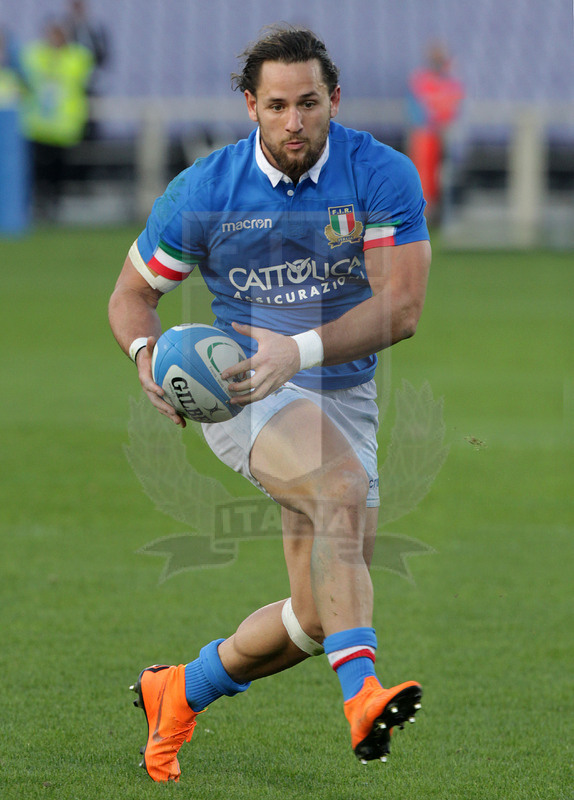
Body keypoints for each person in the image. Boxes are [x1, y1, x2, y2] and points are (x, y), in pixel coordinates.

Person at [108, 24, 431, 783]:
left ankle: (178, 689)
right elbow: (131, 296)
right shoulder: (206, 191)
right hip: (243, 390)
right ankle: (362, 697)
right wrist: (147, 356)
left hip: (341, 392)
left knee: (318, 615)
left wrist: (302, 350)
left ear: (334, 100)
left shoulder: (378, 174)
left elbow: (404, 308)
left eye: (310, 103)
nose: (295, 122)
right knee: (341, 489)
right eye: (278, 105)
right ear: (251, 105)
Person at [19, 21, 93, 219]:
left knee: (57, 170)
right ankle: (40, 205)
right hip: (39, 126)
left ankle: (53, 206)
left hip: (62, 128)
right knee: (38, 169)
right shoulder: (38, 55)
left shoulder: (76, 57)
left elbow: (83, 69)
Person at [407, 42, 465, 223]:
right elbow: (417, 110)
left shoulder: (451, 83)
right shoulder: (420, 80)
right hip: (425, 134)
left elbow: (454, 108)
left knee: (444, 175)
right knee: (424, 175)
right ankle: (424, 213)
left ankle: (442, 214)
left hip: (446, 135)